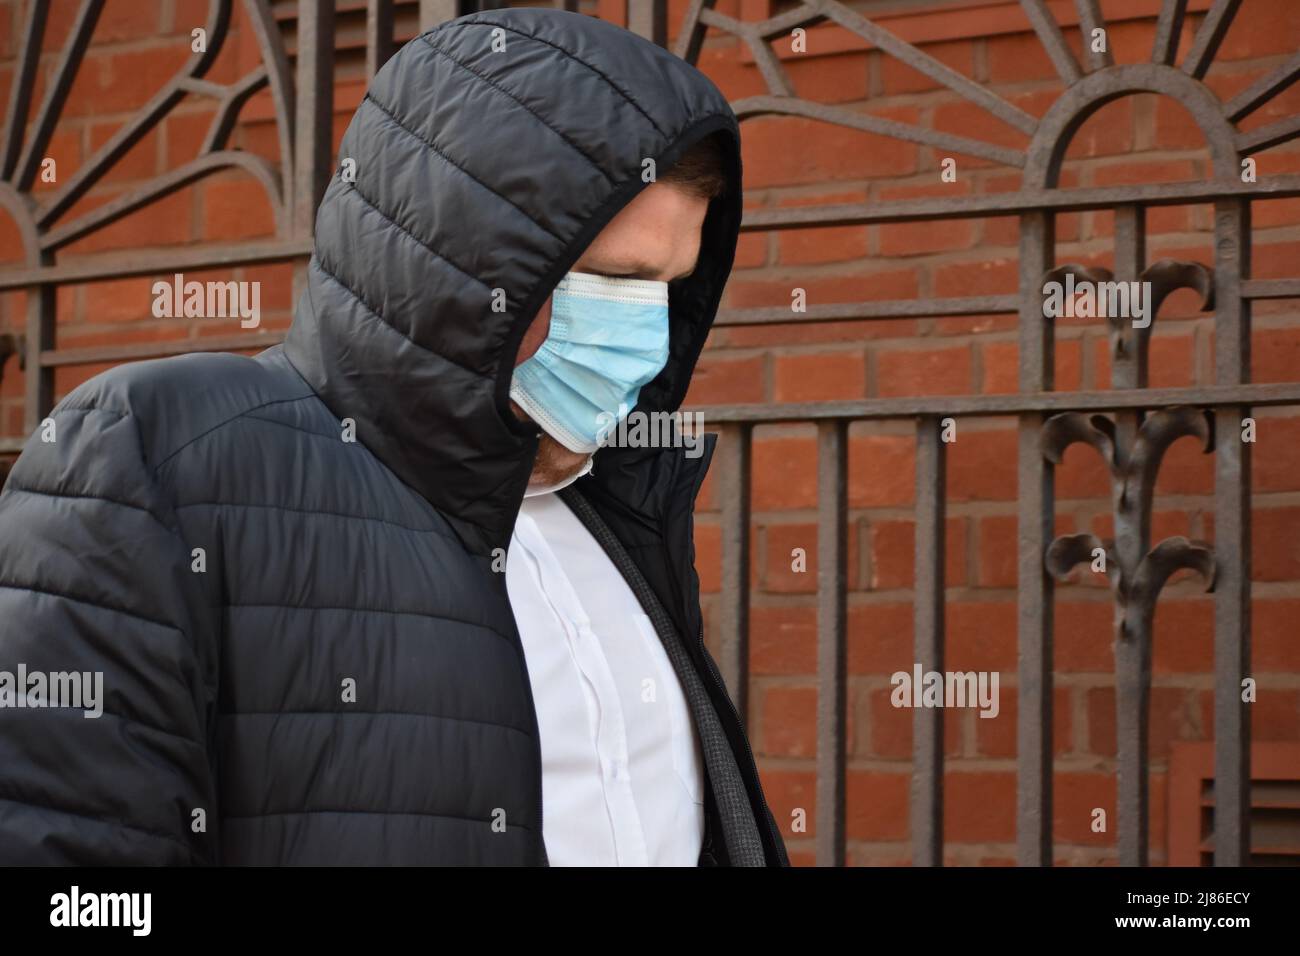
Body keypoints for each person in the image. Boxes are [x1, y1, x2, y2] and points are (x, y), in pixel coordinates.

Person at [0, 7, 789, 866]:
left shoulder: (616, 512)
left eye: (667, 287)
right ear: (471, 259)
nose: (644, 329)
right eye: (613, 279)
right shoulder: (161, 457)